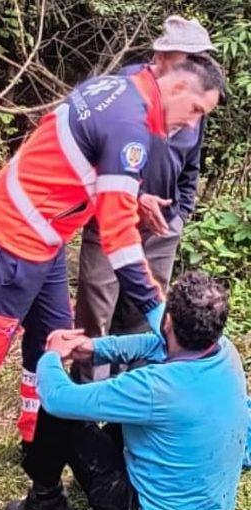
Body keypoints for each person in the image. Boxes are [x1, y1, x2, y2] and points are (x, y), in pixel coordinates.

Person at [0, 50, 226, 506]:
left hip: (47, 236)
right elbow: (117, 240)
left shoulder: (124, 87)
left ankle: (37, 437)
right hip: (11, 240)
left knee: (54, 339)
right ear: (175, 87)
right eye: (195, 110)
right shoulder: (130, 128)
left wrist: (133, 199)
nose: (192, 124)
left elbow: (83, 162)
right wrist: (160, 314)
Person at [6, 271, 249, 510]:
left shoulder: (154, 387)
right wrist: (94, 348)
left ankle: (46, 502)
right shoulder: (226, 353)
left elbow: (58, 398)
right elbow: (155, 344)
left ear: (167, 321)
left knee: (59, 414)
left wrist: (50, 354)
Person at [75, 16, 217, 382]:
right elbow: (95, 156)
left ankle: (131, 402)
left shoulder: (193, 103)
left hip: (160, 233)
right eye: (190, 57)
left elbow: (191, 168)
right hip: (108, 226)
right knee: (96, 316)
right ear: (163, 55)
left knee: (143, 320)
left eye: (201, 59)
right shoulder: (125, 90)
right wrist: (135, 196)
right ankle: (88, 405)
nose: (196, 66)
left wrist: (180, 217)